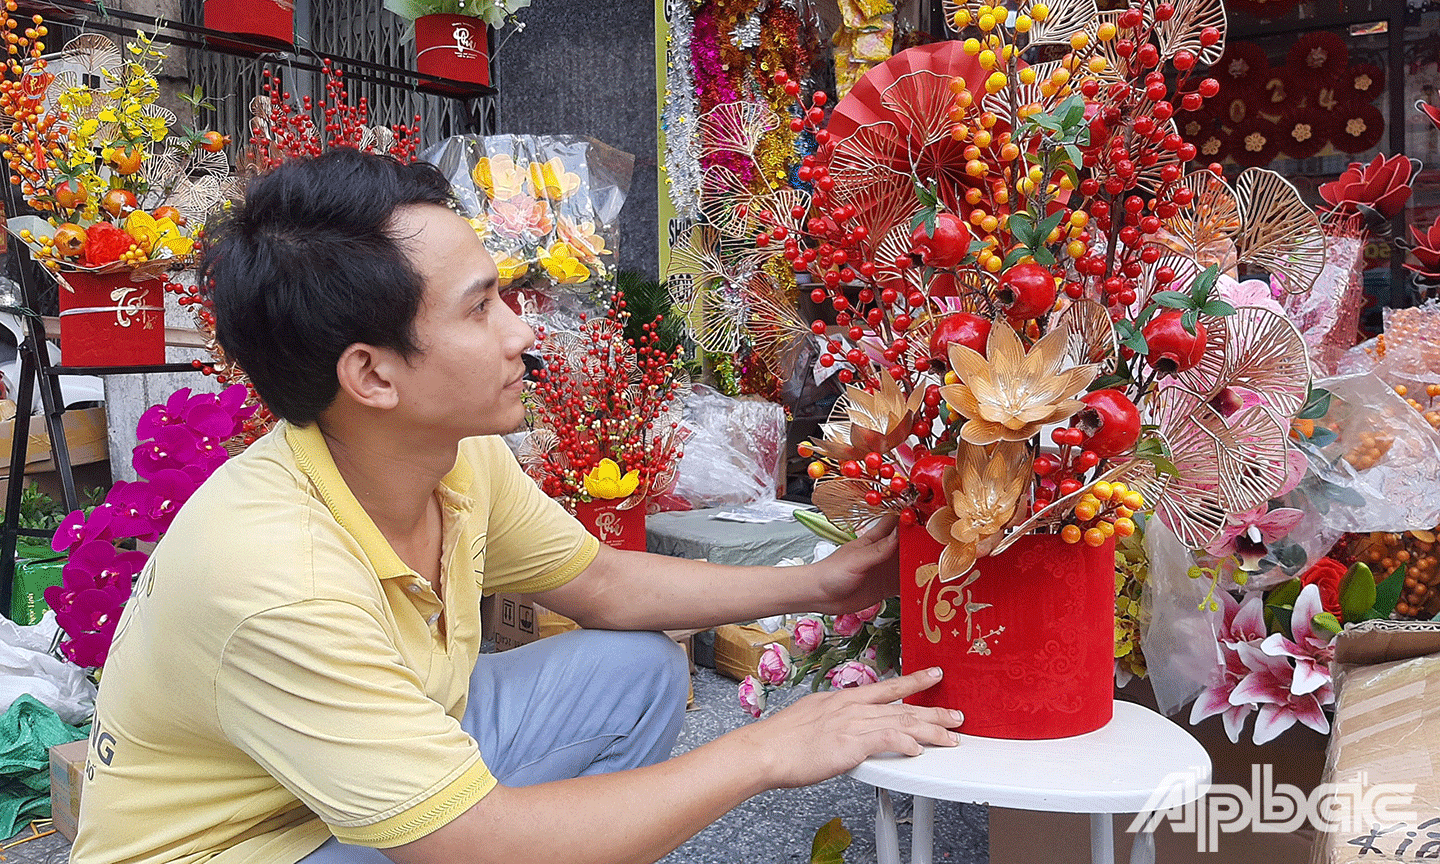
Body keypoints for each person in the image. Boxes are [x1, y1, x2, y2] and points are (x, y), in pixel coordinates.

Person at [70, 148, 963, 864]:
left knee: (633, 671)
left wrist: (823, 583)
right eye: (482, 308)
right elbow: (469, 840)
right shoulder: (277, 576)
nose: (524, 333)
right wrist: (766, 752)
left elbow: (604, 582)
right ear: (371, 373)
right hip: (257, 842)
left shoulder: (451, 460)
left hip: (337, 787)